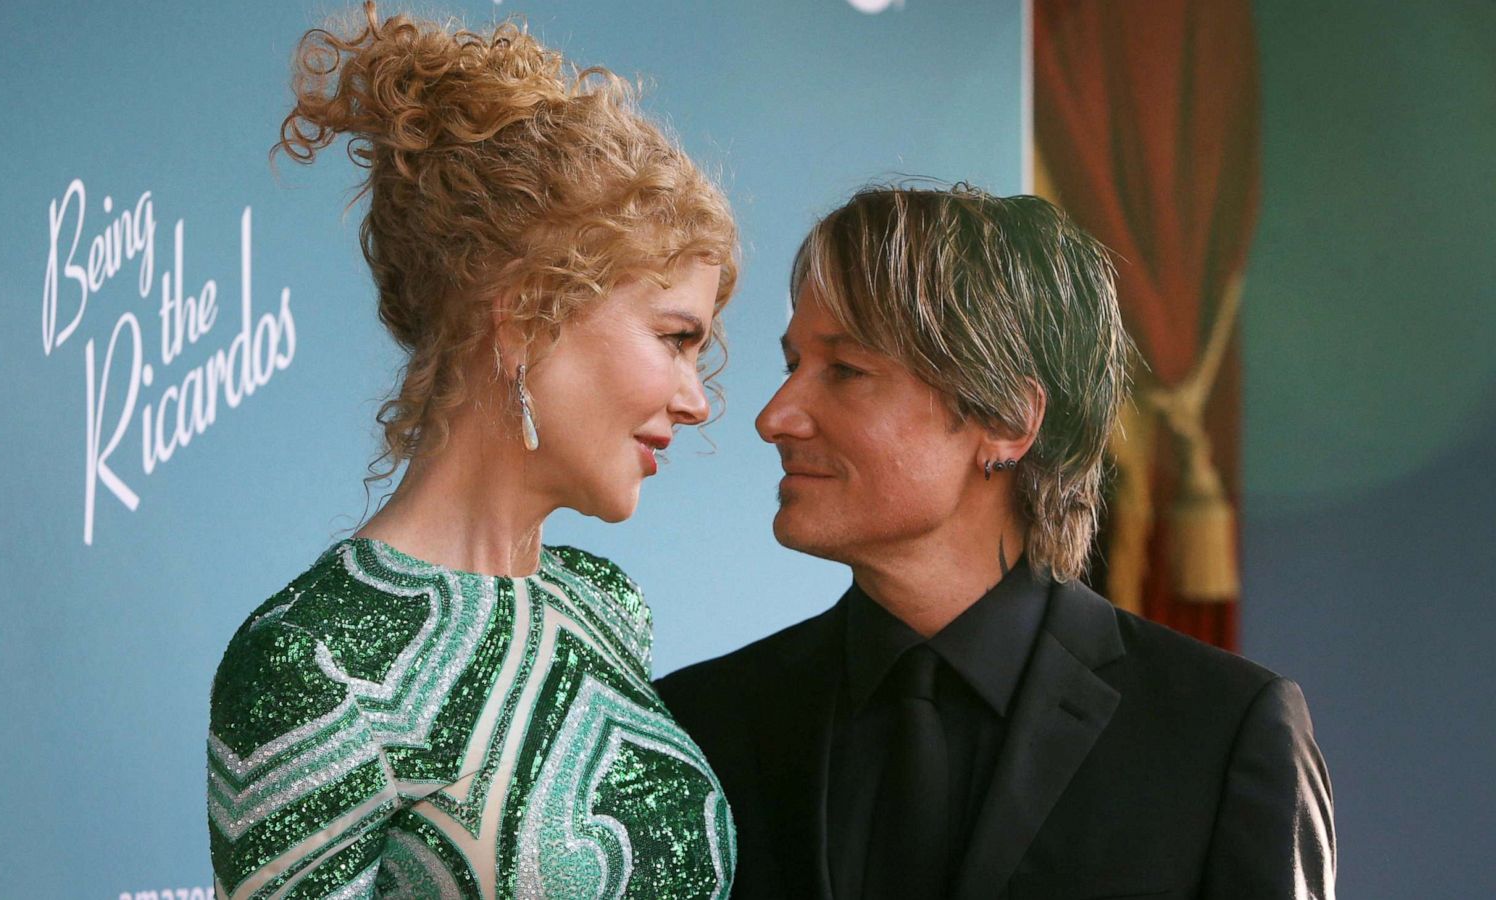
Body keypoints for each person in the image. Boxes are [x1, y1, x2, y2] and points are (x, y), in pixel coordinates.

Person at [657, 184, 1336, 899]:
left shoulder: (1221, 733)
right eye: (794, 365)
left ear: (1009, 419)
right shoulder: (701, 723)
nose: (775, 417)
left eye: (847, 371)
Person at [207, 6, 740, 898]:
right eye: (675, 338)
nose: (697, 401)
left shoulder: (605, 606)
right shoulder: (317, 661)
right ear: (529, 314)